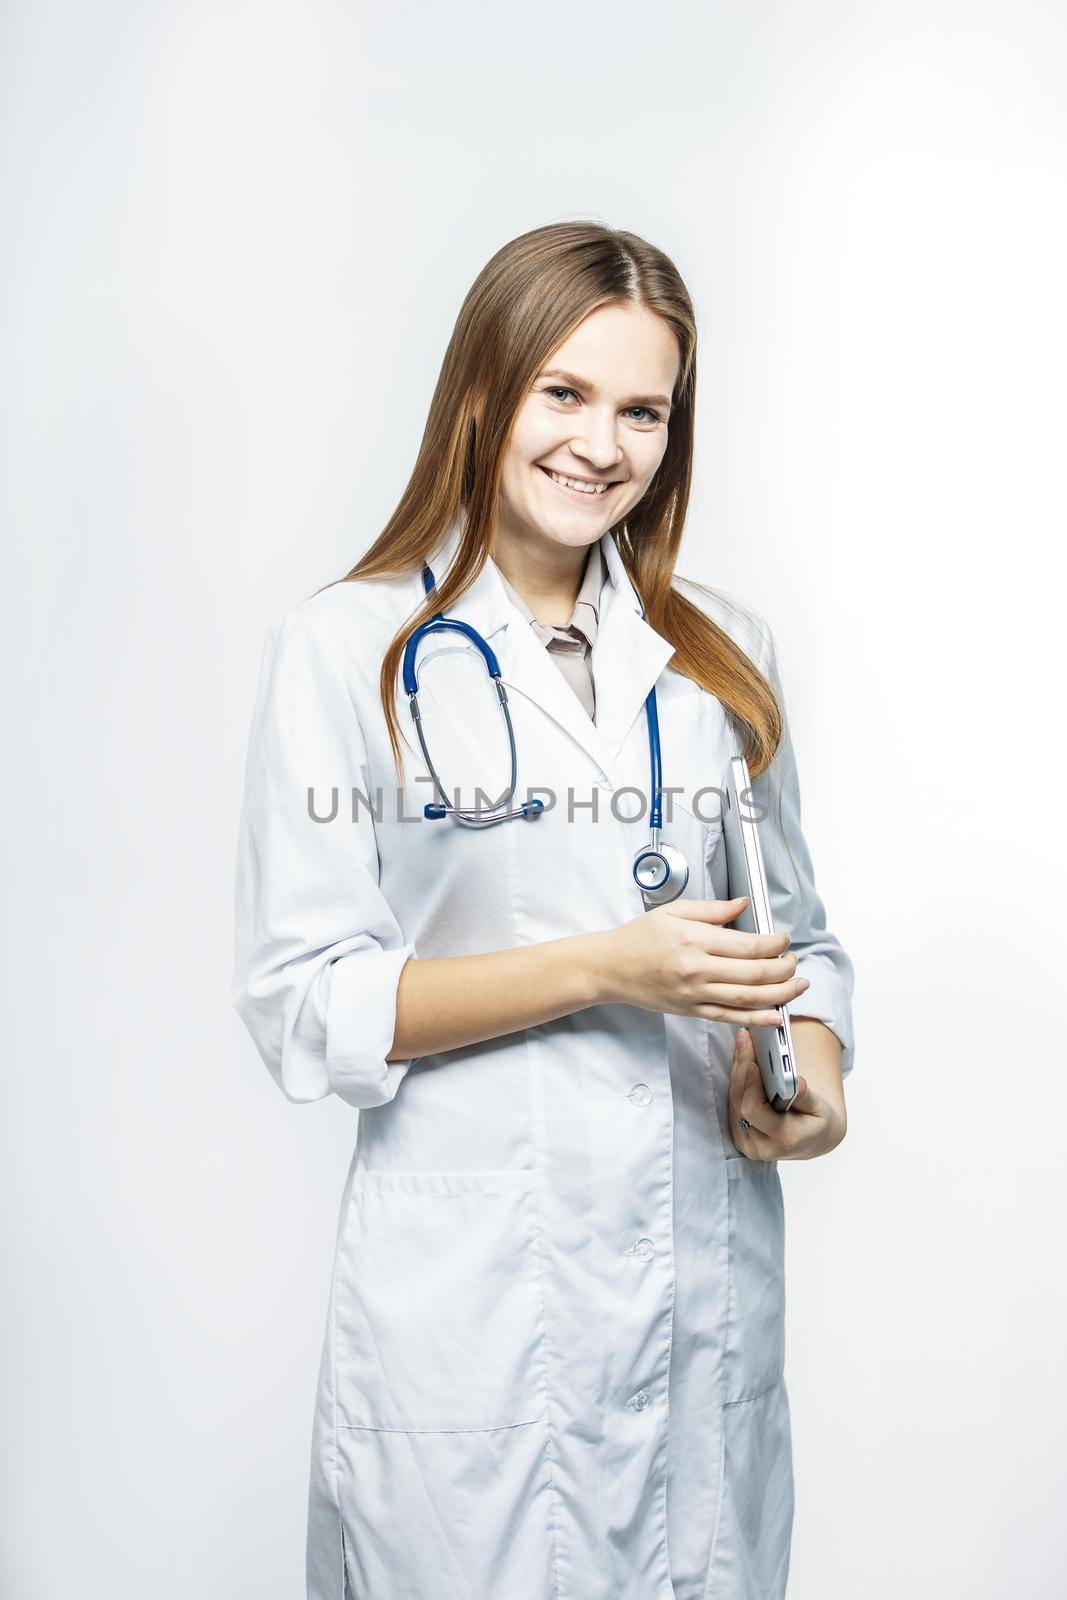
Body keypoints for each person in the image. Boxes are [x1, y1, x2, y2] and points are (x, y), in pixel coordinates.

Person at [231, 220, 856, 1600]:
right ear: (483, 394)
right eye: (564, 394)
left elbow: (795, 937)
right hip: (474, 1312)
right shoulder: (351, 647)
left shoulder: (722, 653)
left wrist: (813, 1082)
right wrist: (604, 967)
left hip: (702, 1287)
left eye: (644, 409)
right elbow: (305, 1003)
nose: (603, 444)